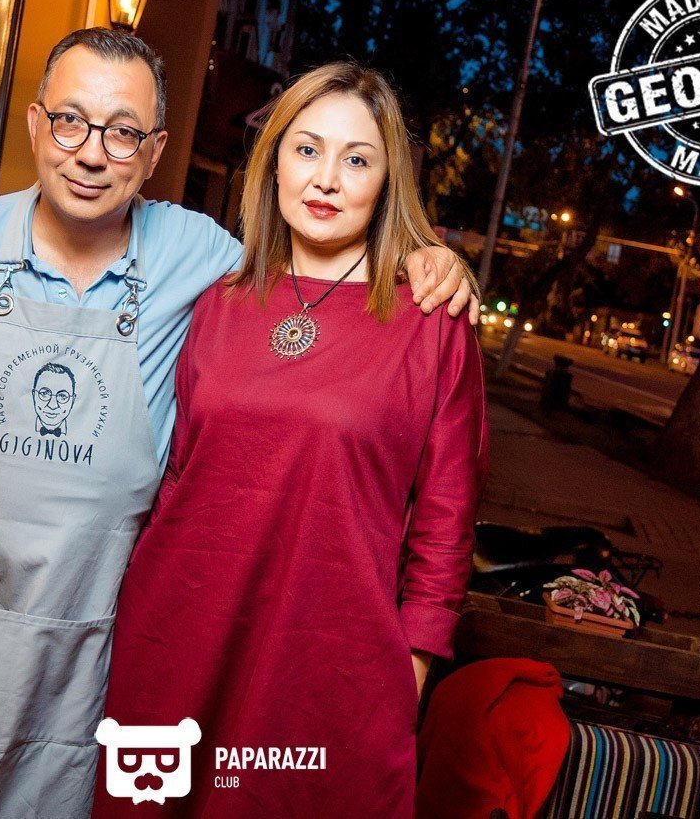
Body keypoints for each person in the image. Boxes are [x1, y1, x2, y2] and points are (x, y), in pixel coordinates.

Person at [0, 30, 478, 819]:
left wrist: (427, 256)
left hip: (80, 616)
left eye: (123, 132)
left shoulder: (203, 260)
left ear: (155, 150)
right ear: (36, 124)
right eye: (70, 120)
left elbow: (324, 283)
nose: (91, 153)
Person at [91, 62, 488, 818]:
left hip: (329, 664)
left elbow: (446, 524)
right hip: (178, 639)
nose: (326, 178)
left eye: (357, 159)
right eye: (307, 149)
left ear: (388, 181)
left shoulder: (431, 322)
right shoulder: (217, 302)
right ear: (273, 161)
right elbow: (177, 478)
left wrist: (408, 670)